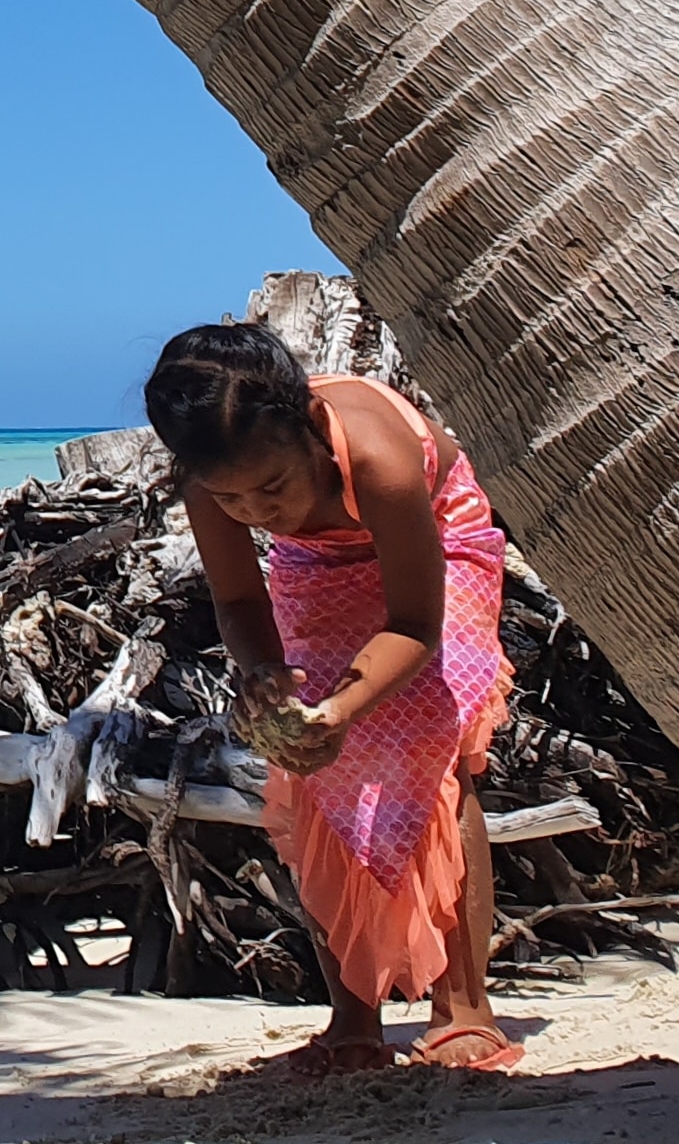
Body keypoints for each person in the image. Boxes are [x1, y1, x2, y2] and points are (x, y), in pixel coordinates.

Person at [146, 319, 519, 1075]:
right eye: (234, 498)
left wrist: (342, 711)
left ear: (312, 429)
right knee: (313, 772)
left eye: (274, 487)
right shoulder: (211, 484)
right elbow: (241, 606)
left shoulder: (376, 459)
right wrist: (261, 677)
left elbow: (414, 624)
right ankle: (353, 1017)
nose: (257, 511)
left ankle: (465, 1008)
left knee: (432, 755)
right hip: (318, 563)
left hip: (435, 543)